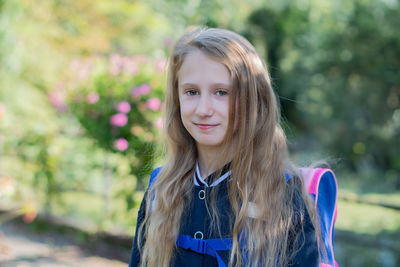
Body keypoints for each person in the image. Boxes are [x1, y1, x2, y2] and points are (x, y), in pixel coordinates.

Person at [129, 28, 319, 267]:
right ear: (177, 99)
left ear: (253, 99)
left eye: (222, 92)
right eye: (191, 92)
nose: (203, 109)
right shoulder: (161, 189)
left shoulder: (281, 192)